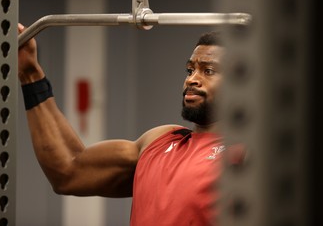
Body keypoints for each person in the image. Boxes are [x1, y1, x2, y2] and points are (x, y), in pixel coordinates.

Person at [18, 25, 230, 225]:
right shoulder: (159, 140)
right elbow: (69, 171)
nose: (192, 79)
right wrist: (30, 74)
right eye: (190, 70)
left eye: (209, 71)